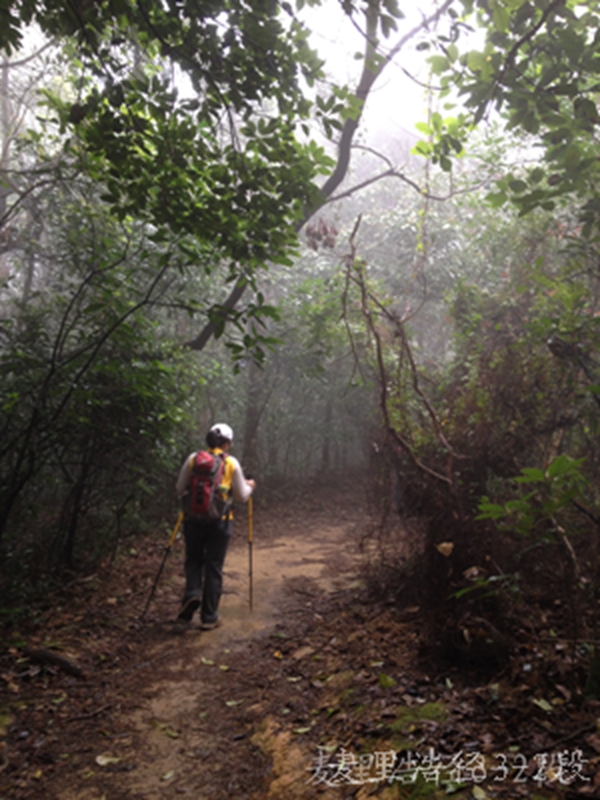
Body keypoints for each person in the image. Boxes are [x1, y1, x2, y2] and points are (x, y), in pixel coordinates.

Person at [175, 423, 255, 628]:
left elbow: (179, 489)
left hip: (193, 520)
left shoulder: (193, 459)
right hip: (221, 522)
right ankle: (209, 617)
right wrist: (250, 487)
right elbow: (241, 496)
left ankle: (192, 596)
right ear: (227, 442)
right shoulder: (231, 463)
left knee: (193, 561)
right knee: (213, 566)